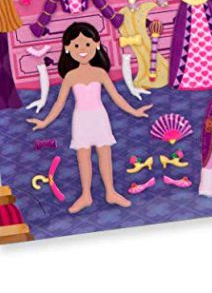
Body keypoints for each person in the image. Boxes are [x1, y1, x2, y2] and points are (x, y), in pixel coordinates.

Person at [30, 22, 147, 213]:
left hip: (100, 118)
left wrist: (134, 111)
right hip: (81, 120)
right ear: (67, 48)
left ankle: (110, 191)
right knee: (83, 157)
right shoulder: (70, 76)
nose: (82, 49)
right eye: (76, 45)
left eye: (87, 44)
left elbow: (116, 96)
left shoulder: (100, 73)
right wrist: (45, 122)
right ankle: (86, 195)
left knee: (105, 155)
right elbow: (59, 103)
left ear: (97, 44)